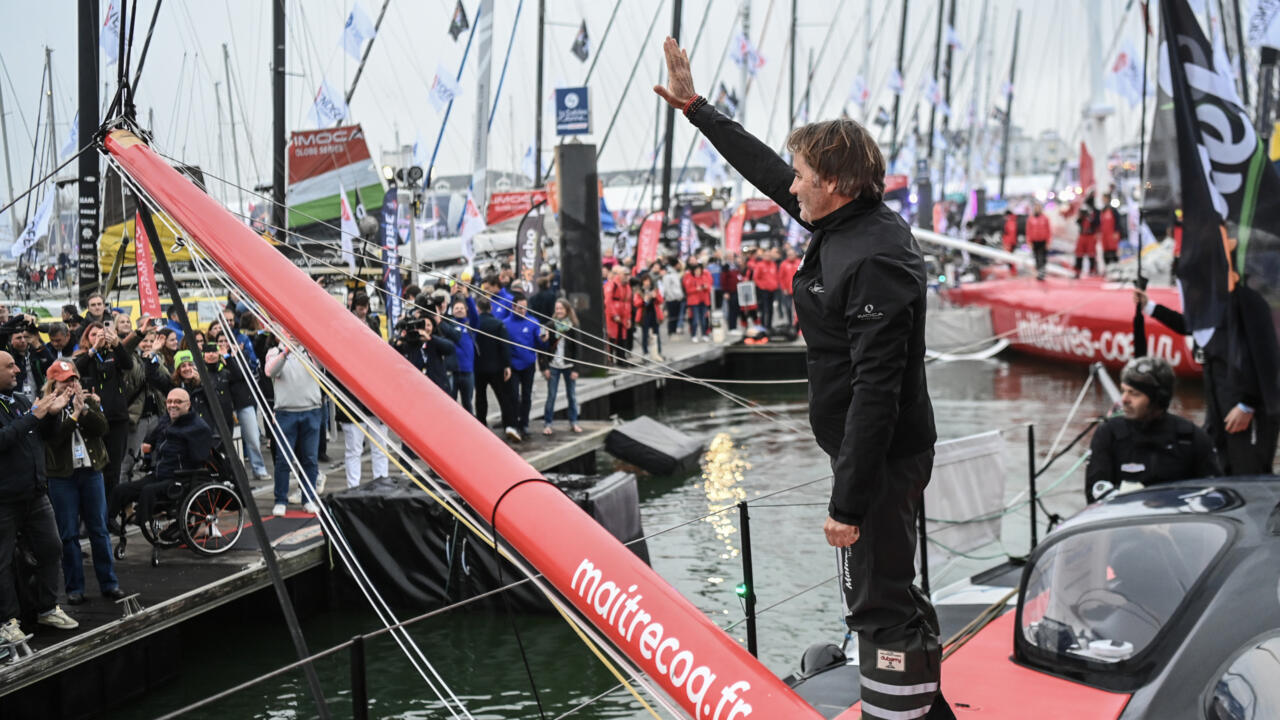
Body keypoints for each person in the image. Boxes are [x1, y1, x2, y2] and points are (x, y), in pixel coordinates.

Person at [656, 37, 953, 719]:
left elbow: (878, 389)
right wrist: (697, 108)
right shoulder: (845, 219)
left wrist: (846, 504)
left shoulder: (873, 256)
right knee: (889, 592)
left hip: (878, 456)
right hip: (864, 449)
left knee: (876, 602)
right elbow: (766, 169)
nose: (790, 185)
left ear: (837, 186)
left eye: (802, 176)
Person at [0, 351, 80, 644]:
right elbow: (5, 439)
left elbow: (44, 435)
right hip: (4, 499)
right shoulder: (24, 406)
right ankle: (7, 621)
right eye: (10, 366)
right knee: (3, 561)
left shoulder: (20, 400)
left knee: (51, 548)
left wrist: (54, 413)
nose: (18, 369)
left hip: (34, 493)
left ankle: (47, 607)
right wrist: (33, 416)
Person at [40, 360, 125, 604]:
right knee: (68, 534)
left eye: (74, 379)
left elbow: (103, 428)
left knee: (99, 530)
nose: (72, 384)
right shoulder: (47, 407)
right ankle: (74, 588)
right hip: (62, 477)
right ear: (53, 383)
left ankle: (109, 583)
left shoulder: (88, 400)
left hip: (91, 471)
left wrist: (84, 410)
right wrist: (73, 415)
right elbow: (54, 440)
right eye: (66, 380)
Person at [1085, 357, 1220, 502]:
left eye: (1134, 393)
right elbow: (1094, 493)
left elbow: (1214, 495)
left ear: (1158, 399)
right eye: (1123, 390)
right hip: (1125, 520)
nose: (1124, 399)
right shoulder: (1108, 434)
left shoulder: (1191, 438)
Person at [108, 388, 214, 531]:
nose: (172, 405)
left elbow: (200, 458)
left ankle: (140, 519)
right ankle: (108, 522)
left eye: (178, 402)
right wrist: (149, 445)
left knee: (148, 491)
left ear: (188, 405)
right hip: (159, 473)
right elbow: (154, 436)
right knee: (120, 490)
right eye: (169, 402)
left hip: (180, 477)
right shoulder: (167, 419)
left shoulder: (198, 427)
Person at [74, 320, 139, 496]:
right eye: (93, 335)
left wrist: (116, 343)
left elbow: (128, 364)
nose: (98, 338)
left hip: (117, 418)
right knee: (96, 466)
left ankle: (110, 513)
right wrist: (94, 348)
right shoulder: (84, 356)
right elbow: (76, 369)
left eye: (101, 334)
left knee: (114, 467)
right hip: (93, 419)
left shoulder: (114, 354)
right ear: (87, 338)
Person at [264, 336, 323, 516]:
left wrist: (308, 345)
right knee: (283, 459)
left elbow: (323, 366)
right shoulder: (274, 352)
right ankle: (280, 499)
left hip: (311, 410)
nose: (291, 334)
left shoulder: (311, 351)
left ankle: (308, 498)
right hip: (285, 412)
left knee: (310, 459)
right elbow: (270, 372)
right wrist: (287, 352)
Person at [472, 296, 519, 442]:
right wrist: (507, 365)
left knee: (480, 397)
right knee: (504, 397)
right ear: (491, 308)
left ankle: (481, 424)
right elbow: (505, 346)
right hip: (497, 367)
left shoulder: (474, 324)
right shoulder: (498, 324)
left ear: (478, 309)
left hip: (478, 367)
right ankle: (509, 425)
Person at [540, 299, 584, 435]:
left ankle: (574, 421)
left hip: (569, 365)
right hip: (553, 365)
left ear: (567, 310)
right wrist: (544, 368)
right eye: (557, 308)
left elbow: (579, 349)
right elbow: (542, 348)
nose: (559, 311)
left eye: (561, 309)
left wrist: (576, 369)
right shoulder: (550, 325)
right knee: (551, 395)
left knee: (571, 395)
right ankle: (548, 423)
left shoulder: (573, 326)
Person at [504, 294, 542, 437]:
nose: (522, 311)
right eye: (519, 308)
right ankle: (512, 423)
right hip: (513, 365)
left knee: (527, 396)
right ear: (513, 307)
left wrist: (544, 339)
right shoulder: (505, 323)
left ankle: (524, 424)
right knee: (513, 395)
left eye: (524, 308)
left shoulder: (533, 322)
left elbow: (540, 345)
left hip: (528, 365)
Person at [443, 299, 478, 413]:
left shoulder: (471, 326)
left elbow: (475, 315)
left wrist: (468, 298)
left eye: (461, 308)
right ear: (452, 311)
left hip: (467, 372)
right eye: (456, 308)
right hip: (452, 372)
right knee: (450, 403)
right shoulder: (449, 325)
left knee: (468, 403)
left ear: (466, 310)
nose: (459, 310)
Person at [604, 265, 633, 363]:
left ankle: (621, 359)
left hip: (623, 314)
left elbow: (628, 302)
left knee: (622, 337)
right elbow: (608, 301)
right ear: (619, 275)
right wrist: (614, 314)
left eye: (628, 275)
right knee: (611, 337)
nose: (627, 277)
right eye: (625, 275)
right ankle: (609, 359)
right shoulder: (612, 284)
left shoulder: (627, 286)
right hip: (613, 315)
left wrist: (628, 318)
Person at [635, 274, 665, 360]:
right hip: (644, 315)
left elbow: (661, 300)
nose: (647, 283)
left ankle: (658, 352)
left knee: (656, 333)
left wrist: (655, 297)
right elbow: (636, 303)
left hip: (654, 314)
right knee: (645, 334)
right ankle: (645, 352)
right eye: (645, 281)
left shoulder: (655, 289)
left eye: (648, 281)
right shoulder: (639, 291)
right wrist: (645, 299)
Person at [682, 262, 712, 341]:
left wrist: (705, 287)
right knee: (695, 319)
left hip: (704, 301)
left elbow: (709, 287)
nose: (698, 271)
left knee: (704, 319)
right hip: (694, 302)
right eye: (696, 270)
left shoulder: (704, 277)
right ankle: (693, 335)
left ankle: (704, 334)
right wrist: (696, 289)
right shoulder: (690, 278)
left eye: (699, 270)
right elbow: (687, 290)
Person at [1025, 203, 1051, 281]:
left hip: (1043, 241)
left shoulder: (1045, 218)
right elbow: (1028, 231)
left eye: (1039, 208)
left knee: (1042, 257)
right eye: (1036, 208)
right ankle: (1039, 271)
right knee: (1036, 257)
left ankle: (1042, 272)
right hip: (1034, 241)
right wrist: (1029, 242)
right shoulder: (1031, 219)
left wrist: (1048, 242)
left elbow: (1049, 231)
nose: (1037, 209)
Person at [1074, 198, 1100, 278]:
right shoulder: (1082, 211)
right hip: (1082, 235)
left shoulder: (1095, 212)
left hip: (1090, 236)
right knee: (1079, 254)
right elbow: (1078, 221)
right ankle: (1078, 271)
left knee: (1091, 254)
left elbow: (1097, 223)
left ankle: (1092, 270)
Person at [660, 260, 685, 337]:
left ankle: (674, 331)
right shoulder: (668, 275)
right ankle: (671, 332)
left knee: (676, 316)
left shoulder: (675, 274)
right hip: (671, 299)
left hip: (677, 298)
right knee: (672, 317)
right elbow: (667, 288)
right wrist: (672, 297)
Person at [778, 246, 801, 328]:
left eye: (791, 254)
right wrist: (784, 288)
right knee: (788, 307)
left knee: (799, 308)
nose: (790, 256)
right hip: (787, 290)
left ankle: (798, 325)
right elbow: (781, 277)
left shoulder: (799, 262)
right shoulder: (783, 264)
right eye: (789, 255)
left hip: (798, 289)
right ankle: (790, 323)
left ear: (795, 254)